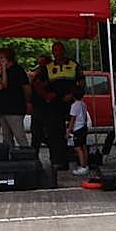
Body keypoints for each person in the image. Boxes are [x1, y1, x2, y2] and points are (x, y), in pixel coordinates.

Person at [33, 41, 82, 170]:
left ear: (63, 51)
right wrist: (45, 95)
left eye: (60, 50)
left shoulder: (73, 65)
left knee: (75, 132)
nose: (57, 53)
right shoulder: (48, 67)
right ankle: (58, 161)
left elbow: (81, 83)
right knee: (55, 134)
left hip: (70, 103)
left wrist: (72, 95)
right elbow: (37, 82)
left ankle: (77, 159)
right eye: (55, 51)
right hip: (54, 105)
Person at [0, 47, 31, 147]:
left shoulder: (18, 70)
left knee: (19, 135)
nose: (1, 60)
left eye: (3, 57)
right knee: (6, 136)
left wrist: (28, 101)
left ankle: (27, 156)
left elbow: (26, 87)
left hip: (15, 107)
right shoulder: (1, 72)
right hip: (3, 108)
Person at [67, 84, 90, 176]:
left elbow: (72, 119)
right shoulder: (83, 104)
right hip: (83, 127)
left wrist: (69, 130)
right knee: (83, 146)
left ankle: (82, 166)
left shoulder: (74, 105)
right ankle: (85, 164)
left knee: (77, 148)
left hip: (78, 128)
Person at [29, 54, 50, 151]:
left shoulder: (48, 74)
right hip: (37, 107)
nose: (41, 65)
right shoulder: (37, 74)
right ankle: (35, 156)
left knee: (45, 134)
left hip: (46, 107)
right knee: (36, 134)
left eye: (43, 63)